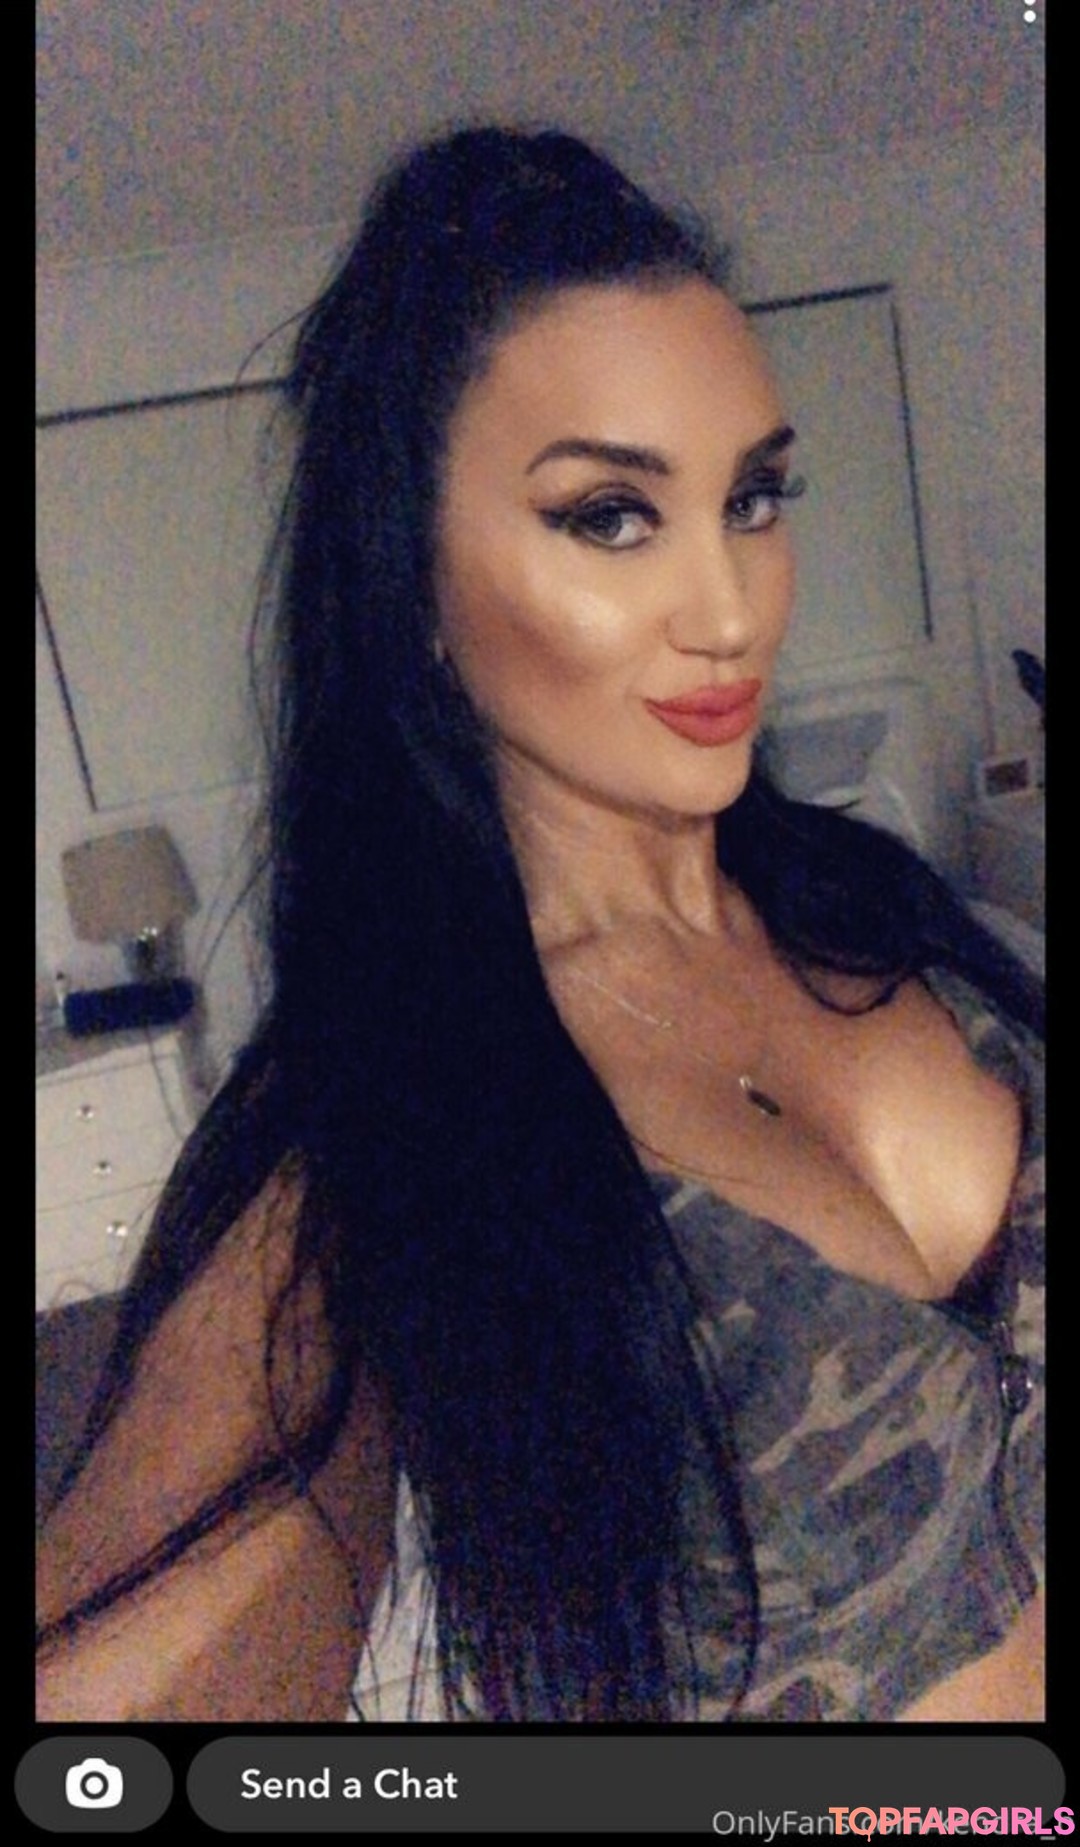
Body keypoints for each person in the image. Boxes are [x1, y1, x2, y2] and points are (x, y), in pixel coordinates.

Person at [36, 125, 1044, 1725]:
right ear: (414, 587)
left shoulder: (876, 903)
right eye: (611, 516)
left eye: (754, 497)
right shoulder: (389, 1132)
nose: (733, 609)